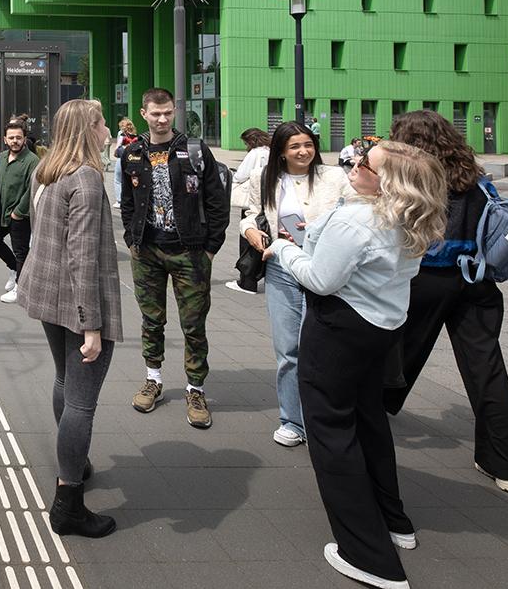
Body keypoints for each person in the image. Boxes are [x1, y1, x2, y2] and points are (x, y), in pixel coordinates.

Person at [267, 142, 448, 589]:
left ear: (387, 182)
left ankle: (369, 557)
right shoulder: (413, 218)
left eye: (365, 164)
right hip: (382, 328)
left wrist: (281, 249)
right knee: (369, 421)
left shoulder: (358, 220)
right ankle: (395, 523)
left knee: (330, 433)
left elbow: (320, 279)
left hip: (339, 330)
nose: (353, 164)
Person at [384, 110, 508, 496]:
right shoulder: (471, 176)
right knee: (486, 368)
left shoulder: (412, 177)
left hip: (424, 280)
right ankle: (503, 464)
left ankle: (377, 411)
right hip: (476, 281)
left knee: (398, 350)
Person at [16, 99, 123, 539]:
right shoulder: (87, 178)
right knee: (82, 401)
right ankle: (68, 503)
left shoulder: (49, 171)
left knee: (64, 381)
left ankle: (73, 460)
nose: (107, 130)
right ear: (87, 129)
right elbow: (82, 255)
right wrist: (92, 325)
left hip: (46, 294)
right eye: (101, 123)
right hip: (77, 302)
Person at [239, 121, 354, 447]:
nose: (303, 151)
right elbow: (252, 213)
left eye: (308, 144)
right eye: (294, 147)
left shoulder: (334, 177)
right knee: (288, 350)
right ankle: (292, 420)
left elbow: (359, 212)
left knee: (323, 349)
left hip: (326, 269)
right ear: (281, 151)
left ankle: (328, 417)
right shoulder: (267, 178)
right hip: (282, 268)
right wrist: (250, 230)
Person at [119, 88, 228, 429]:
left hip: (190, 252)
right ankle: (153, 378)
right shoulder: (132, 153)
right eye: (156, 113)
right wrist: (131, 239)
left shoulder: (194, 150)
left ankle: (195, 389)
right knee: (152, 320)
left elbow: (217, 202)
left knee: (193, 324)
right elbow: (126, 202)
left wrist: (210, 248)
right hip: (147, 250)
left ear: (174, 112)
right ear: (143, 114)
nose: (162, 119)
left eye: (167, 113)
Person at [0, 119, 40, 303]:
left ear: (25, 139)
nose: (15, 141)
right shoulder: (2, 157)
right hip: (2, 210)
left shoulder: (32, 161)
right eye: (11, 138)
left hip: (20, 215)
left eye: (18, 137)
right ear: (4, 139)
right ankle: (14, 269)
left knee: (21, 251)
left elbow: (32, 188)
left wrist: (19, 211)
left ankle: (21, 288)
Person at [224, 127, 274, 294]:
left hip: (253, 199)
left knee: (248, 236)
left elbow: (241, 176)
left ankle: (247, 279)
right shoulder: (271, 150)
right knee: (267, 234)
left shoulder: (255, 153)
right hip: (270, 199)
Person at [110, 117, 139, 208]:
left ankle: (119, 200)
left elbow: (118, 145)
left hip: (122, 158)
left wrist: (115, 152)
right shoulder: (135, 135)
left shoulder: (122, 134)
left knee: (118, 179)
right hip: (131, 159)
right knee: (129, 178)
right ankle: (131, 199)